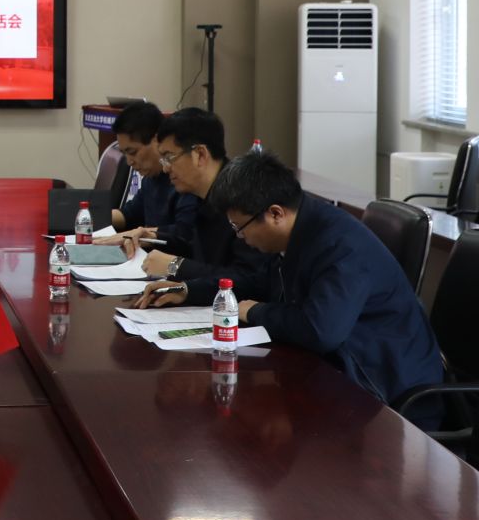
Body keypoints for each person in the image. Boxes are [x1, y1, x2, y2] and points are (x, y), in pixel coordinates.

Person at [143, 150, 445, 424]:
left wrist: (256, 312)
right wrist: (190, 290)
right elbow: (261, 282)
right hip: (340, 374)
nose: (240, 238)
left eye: (240, 228)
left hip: (385, 396)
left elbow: (320, 330)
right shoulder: (301, 229)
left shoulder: (339, 247)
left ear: (275, 213)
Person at [125, 109, 270, 290]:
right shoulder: (201, 193)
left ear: (200, 154)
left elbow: (249, 279)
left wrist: (175, 266)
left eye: (170, 157)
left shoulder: (243, 197)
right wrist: (154, 238)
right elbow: (195, 247)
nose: (165, 169)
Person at [103, 101, 184, 236]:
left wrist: (142, 234)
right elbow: (129, 215)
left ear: (157, 140)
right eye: (124, 154)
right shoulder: (151, 178)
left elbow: (185, 233)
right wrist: (86, 216)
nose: (129, 162)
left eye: (133, 152)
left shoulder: (183, 180)